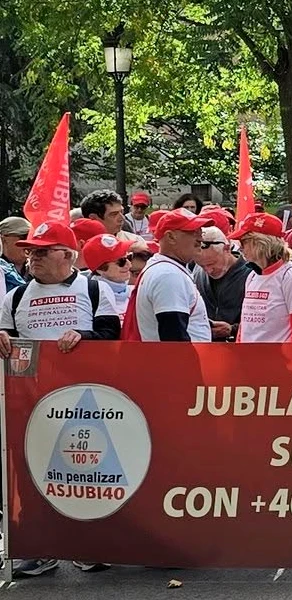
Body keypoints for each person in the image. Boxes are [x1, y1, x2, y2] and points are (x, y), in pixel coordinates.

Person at [0, 222, 119, 578]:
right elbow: (8, 338)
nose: (32, 256)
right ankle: (39, 549)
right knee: (33, 473)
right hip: (32, 402)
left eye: (42, 250)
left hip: (87, 401)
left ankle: (87, 545)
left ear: (67, 255)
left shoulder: (95, 288)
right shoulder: (15, 297)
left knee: (88, 472)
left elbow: (112, 335)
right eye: (30, 250)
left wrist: (83, 335)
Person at [128, 208, 214, 342]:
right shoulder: (168, 275)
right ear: (171, 237)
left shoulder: (166, 269)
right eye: (193, 231)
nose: (200, 237)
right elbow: (174, 339)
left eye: (200, 230)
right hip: (174, 361)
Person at [231, 213, 292, 343]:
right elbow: (245, 325)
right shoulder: (252, 275)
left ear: (261, 242)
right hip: (250, 359)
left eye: (244, 241)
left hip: (278, 360)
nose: (240, 247)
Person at [193, 227, 252, 342]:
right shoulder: (197, 273)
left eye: (212, 263)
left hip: (240, 347)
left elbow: (264, 321)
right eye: (202, 266)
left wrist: (233, 329)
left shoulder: (251, 274)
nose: (208, 270)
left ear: (227, 248)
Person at [82, 234, 134, 315]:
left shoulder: (136, 292)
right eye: (121, 262)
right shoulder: (86, 299)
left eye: (129, 257)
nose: (129, 265)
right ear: (100, 269)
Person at [0, 216, 29, 287]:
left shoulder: (39, 269)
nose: (29, 242)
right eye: (24, 237)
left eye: (31, 237)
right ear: (3, 239)